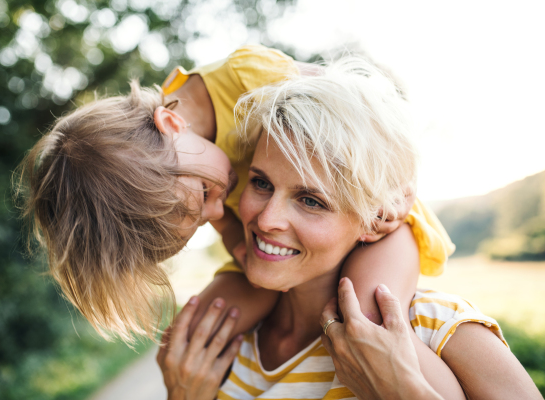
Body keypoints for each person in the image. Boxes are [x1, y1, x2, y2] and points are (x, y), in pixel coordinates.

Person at [15, 45, 453, 344]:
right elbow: (242, 248)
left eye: (205, 193)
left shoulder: (249, 77)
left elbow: (370, 119)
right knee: (187, 340)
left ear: (169, 124)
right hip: (283, 249)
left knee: (365, 327)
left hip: (378, 218)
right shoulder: (171, 177)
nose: (217, 208)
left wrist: (391, 198)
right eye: (201, 220)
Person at [157, 58, 540, 399]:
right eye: (261, 183)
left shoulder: (439, 331)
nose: (267, 218)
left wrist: (406, 392)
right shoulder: (216, 350)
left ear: (374, 221)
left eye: (311, 200)